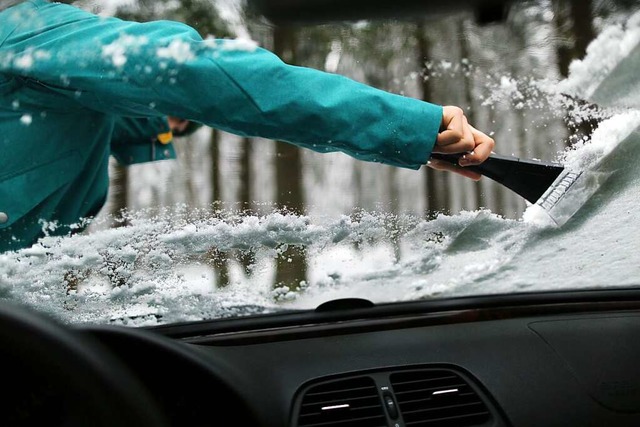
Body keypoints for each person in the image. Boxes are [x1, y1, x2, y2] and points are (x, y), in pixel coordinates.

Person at [0, 0, 494, 253]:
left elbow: (64, 120)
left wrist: (169, 116)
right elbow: (195, 72)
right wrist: (409, 125)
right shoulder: (26, 30)